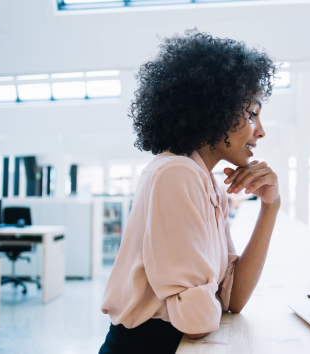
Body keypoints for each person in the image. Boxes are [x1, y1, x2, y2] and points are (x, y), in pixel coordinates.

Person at [99, 29, 280, 354]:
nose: (261, 131)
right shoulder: (175, 174)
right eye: (252, 113)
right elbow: (196, 322)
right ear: (215, 107)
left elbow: (233, 298)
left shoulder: (207, 183)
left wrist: (271, 206)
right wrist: (211, 293)